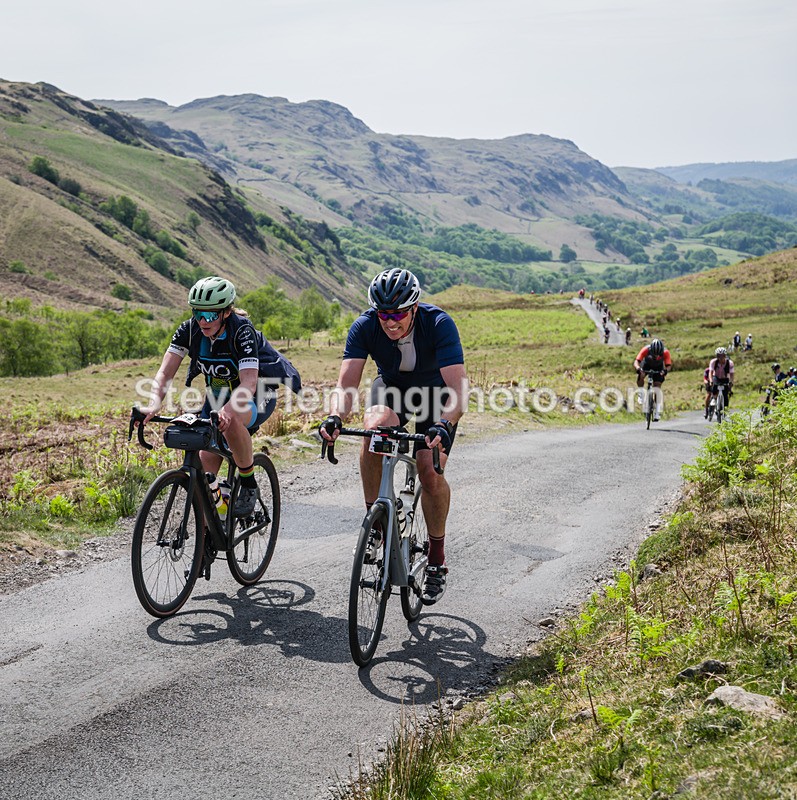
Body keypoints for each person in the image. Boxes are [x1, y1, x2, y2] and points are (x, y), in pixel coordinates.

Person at [319, 269, 468, 606]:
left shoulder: (438, 323)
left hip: (435, 396)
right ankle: (376, 520)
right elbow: (346, 385)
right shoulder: (365, 325)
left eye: (399, 313)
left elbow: (458, 390)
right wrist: (335, 416)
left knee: (429, 472)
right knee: (374, 431)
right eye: (384, 314)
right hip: (393, 391)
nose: (390, 322)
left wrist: (445, 423)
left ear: (414, 307)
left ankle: (436, 558)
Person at [136, 276, 301, 516]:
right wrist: (153, 404)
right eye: (198, 313)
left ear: (225, 312)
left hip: (256, 394)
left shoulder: (242, 330)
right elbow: (165, 372)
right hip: (217, 399)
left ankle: (248, 484)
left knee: (231, 421)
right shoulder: (189, 330)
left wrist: (228, 411)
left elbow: (249, 382)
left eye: (211, 315)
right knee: (203, 479)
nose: (203, 320)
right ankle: (208, 542)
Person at [633, 338, 672, 422]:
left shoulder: (665, 352)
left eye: (658, 354)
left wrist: (665, 371)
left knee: (657, 387)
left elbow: (668, 365)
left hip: (659, 367)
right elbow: (637, 361)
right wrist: (638, 368)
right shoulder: (646, 349)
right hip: (646, 365)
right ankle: (641, 393)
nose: (656, 356)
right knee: (641, 375)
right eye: (654, 354)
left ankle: (657, 411)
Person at [706, 347, 734, 418]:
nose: (721, 358)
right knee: (714, 388)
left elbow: (732, 374)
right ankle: (714, 400)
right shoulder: (713, 362)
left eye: (723, 356)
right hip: (716, 377)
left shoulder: (729, 363)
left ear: (725, 356)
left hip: (725, 378)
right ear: (717, 356)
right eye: (719, 356)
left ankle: (725, 410)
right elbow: (710, 372)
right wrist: (711, 381)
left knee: (726, 394)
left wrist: (731, 382)